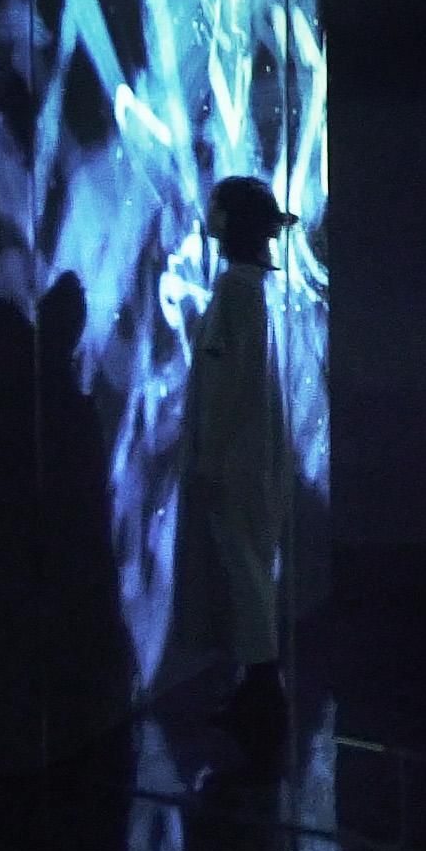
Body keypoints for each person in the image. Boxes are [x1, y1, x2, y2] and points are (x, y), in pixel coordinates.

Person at [180, 175, 297, 752]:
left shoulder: (234, 289)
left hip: (236, 459)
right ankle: (259, 687)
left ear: (228, 220)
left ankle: (261, 689)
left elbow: (228, 381)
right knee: (254, 568)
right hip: (257, 455)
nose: (209, 214)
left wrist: (209, 457)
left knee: (246, 570)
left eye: (216, 207)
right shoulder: (256, 289)